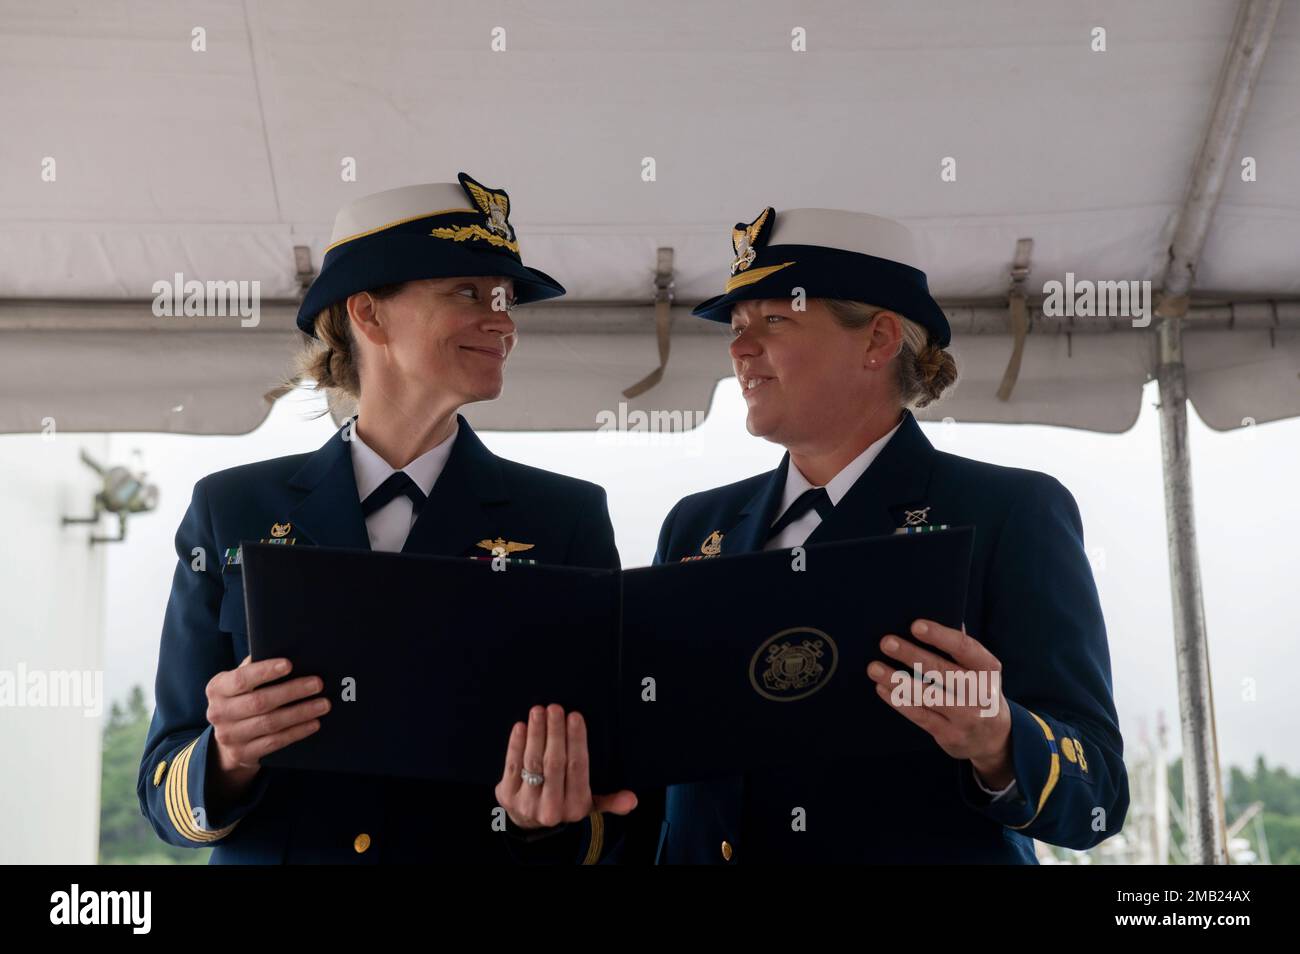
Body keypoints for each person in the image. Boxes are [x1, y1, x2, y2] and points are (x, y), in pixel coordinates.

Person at [137, 173, 631, 863]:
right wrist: (227, 753)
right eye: (470, 293)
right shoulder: (231, 510)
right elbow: (164, 787)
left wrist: (537, 818)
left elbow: (608, 794)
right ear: (368, 314)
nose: (504, 321)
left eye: (507, 302)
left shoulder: (567, 518)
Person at [631, 205, 1129, 862]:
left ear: (879, 339)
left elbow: (1099, 797)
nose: (740, 347)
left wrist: (1001, 741)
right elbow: (650, 773)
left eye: (774, 319)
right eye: (736, 325)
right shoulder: (697, 526)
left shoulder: (1010, 512)